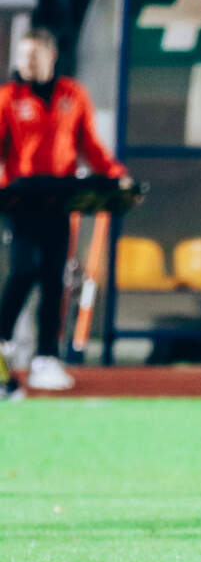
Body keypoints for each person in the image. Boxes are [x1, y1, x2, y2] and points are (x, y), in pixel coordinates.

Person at [0, 28, 129, 392]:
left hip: (60, 199)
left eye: (33, 55)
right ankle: (3, 340)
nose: (26, 62)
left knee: (54, 278)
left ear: (51, 56)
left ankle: (46, 357)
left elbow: (90, 143)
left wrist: (115, 175)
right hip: (21, 198)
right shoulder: (8, 98)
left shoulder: (72, 95)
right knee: (24, 268)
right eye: (22, 56)